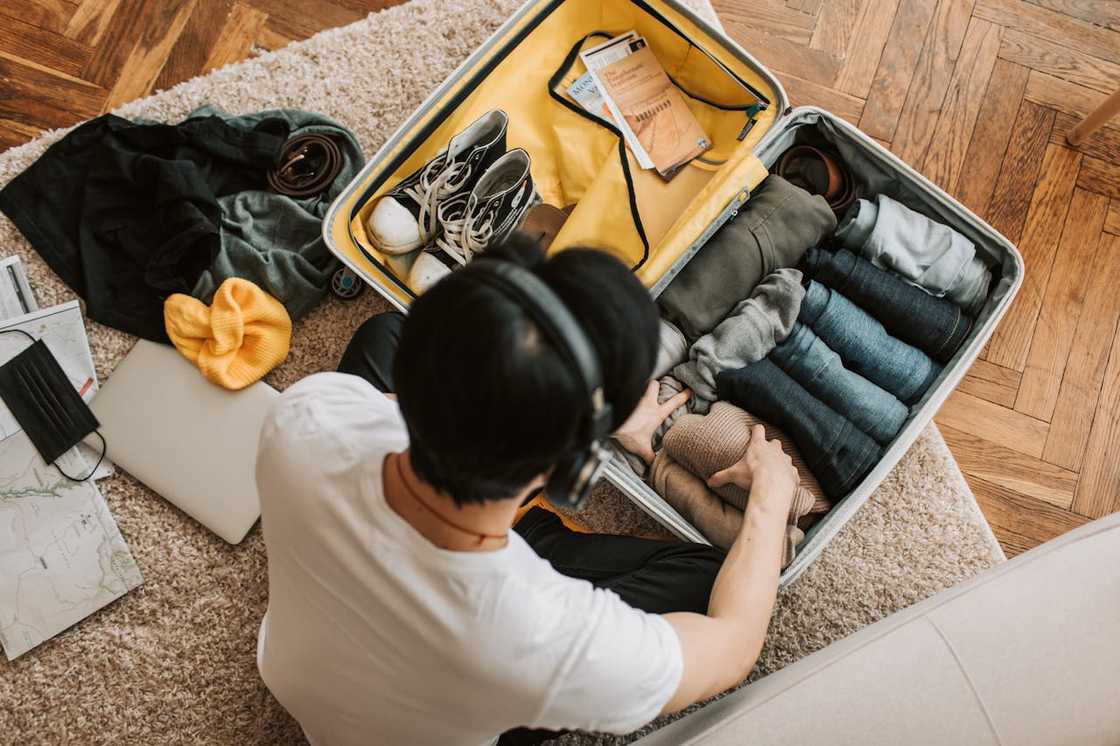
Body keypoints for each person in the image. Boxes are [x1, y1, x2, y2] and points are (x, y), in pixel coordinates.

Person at [254, 235, 799, 746]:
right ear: (575, 471)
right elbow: (734, 647)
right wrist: (771, 495)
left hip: (301, 668)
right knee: (714, 580)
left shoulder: (309, 413)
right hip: (466, 679)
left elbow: (406, 406)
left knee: (381, 335)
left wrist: (558, 405)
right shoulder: (547, 638)